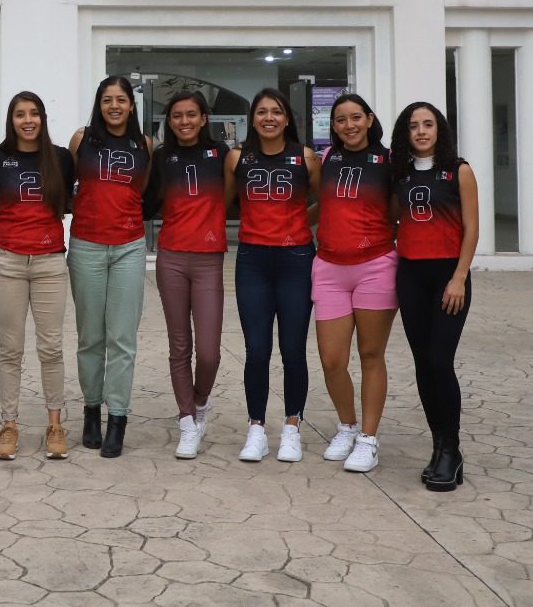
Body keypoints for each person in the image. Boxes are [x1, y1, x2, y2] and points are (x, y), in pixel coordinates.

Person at [0, 91, 76, 461]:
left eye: (34, 113)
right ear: (11, 119)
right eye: (20, 114)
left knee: (51, 348)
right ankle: (9, 424)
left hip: (50, 262)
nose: (27, 120)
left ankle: (54, 424)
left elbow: (69, 201)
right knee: (10, 349)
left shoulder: (61, 158)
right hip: (8, 262)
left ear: (43, 118)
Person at [226, 88, 321, 464]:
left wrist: (299, 223)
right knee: (257, 350)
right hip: (252, 260)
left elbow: (323, 200)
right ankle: (256, 429)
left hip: (296, 259)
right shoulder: (239, 157)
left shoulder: (306, 157)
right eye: (262, 111)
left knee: (293, 349)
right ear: (252, 118)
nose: (269, 117)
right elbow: (225, 202)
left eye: (276, 112)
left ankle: (292, 427)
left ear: (287, 118)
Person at [391, 102, 479, 492]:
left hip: (448, 276)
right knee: (423, 364)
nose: (421, 131)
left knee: (441, 361)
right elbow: (393, 218)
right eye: (414, 126)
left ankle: (452, 448)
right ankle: (439, 446)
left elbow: (472, 229)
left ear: (440, 130)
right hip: (411, 275)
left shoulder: (459, 170)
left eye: (428, 125)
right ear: (405, 133)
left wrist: (459, 277)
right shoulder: (402, 174)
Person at [144, 90, 231, 460]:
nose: (184, 121)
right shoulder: (162, 157)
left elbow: (232, 197)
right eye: (177, 115)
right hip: (172, 258)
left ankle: (198, 402)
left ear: (204, 117)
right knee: (180, 345)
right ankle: (186, 421)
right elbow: (148, 201)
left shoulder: (223, 155)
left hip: (209, 258)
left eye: (191, 114)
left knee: (209, 351)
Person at [67, 76, 152, 458]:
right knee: (91, 338)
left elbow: (142, 194)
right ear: (99, 104)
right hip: (86, 246)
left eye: (121, 100)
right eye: (107, 100)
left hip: (129, 248)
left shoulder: (144, 145)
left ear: (131, 105)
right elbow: (68, 186)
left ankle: (117, 417)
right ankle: (91, 411)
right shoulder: (81, 139)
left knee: (122, 338)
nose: (114, 106)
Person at [314, 92, 398, 474]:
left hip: (375, 265)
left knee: (370, 354)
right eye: (341, 119)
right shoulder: (327, 159)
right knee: (332, 359)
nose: (349, 125)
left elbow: (401, 211)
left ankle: (368, 438)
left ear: (369, 119)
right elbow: (323, 204)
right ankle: (346, 426)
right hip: (329, 266)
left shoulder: (389, 161)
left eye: (355, 118)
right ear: (333, 126)